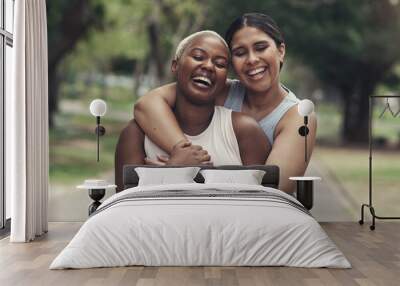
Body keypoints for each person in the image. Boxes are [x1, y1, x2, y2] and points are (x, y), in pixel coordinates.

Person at [133, 13, 317, 194]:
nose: (252, 59)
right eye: (240, 53)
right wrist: (184, 151)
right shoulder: (220, 90)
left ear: (281, 51)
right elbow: (146, 105)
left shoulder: (299, 116)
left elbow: (273, 189)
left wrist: (182, 170)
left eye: (260, 47)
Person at [115, 30, 270, 192]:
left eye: (220, 64)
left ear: (225, 79)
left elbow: (263, 206)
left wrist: (174, 173)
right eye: (198, 57)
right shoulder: (137, 134)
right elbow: (125, 208)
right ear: (175, 66)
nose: (209, 66)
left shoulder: (244, 131)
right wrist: (174, 169)